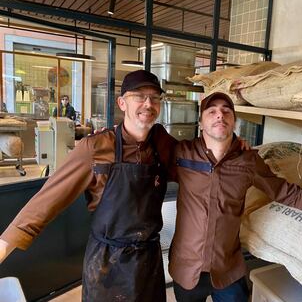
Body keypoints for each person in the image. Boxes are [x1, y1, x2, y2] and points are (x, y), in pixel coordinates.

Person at [168, 92, 302, 302]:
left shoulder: (248, 161)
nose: (220, 116)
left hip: (227, 268)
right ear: (200, 122)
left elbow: (280, 189)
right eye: (212, 111)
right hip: (187, 267)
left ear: (234, 122)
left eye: (226, 111)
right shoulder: (182, 153)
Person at [0, 70, 177, 301]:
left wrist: (233, 147)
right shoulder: (95, 147)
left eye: (155, 98)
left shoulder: (163, 145)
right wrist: (4, 245)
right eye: (139, 96)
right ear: (122, 103)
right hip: (106, 266)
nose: (148, 103)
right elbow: (48, 199)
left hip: (147, 262)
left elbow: (198, 167)